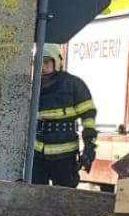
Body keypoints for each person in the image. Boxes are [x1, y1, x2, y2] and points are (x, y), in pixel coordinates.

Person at [32, 55, 98, 187]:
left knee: (66, 196)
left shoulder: (74, 85)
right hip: (38, 155)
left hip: (65, 157)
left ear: (56, 62)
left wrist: (89, 147)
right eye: (38, 62)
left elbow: (88, 118)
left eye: (46, 62)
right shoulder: (31, 87)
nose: (42, 67)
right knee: (35, 195)